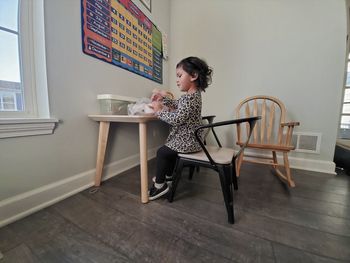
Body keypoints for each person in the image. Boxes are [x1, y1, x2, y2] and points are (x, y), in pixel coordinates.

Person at [149, 56, 213, 200]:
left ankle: (160, 186)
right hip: (192, 139)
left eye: (179, 76)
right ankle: (169, 177)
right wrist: (163, 99)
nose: (177, 80)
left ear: (194, 76)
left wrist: (159, 111)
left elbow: (177, 119)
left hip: (189, 141)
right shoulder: (191, 96)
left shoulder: (190, 98)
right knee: (169, 150)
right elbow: (177, 105)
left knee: (162, 152)